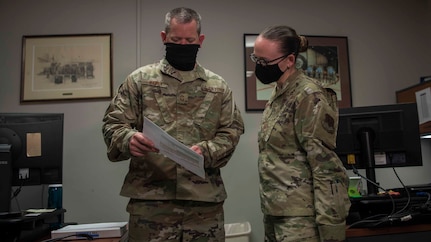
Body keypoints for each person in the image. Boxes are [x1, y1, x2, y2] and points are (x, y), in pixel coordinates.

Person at [102, 7, 244, 242]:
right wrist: (128, 140)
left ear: (201, 40)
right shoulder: (140, 80)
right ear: (163, 37)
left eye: (189, 40)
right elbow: (113, 123)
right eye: (176, 40)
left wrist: (206, 151)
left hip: (203, 205)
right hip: (151, 202)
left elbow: (231, 132)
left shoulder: (218, 87)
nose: (183, 45)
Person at [252, 25, 351, 242]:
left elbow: (325, 166)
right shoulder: (279, 94)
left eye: (265, 62)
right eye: (255, 59)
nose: (259, 66)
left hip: (301, 218)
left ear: (289, 61)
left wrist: (331, 226)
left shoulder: (309, 96)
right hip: (276, 211)